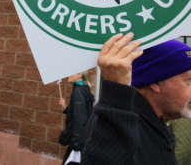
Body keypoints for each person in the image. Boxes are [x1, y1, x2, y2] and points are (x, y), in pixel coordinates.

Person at [81, 32, 191, 165]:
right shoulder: (116, 123)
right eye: (189, 81)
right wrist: (116, 89)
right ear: (155, 82)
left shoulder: (155, 122)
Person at [58, 72, 94, 165]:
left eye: (71, 73)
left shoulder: (78, 91)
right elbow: (78, 112)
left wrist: (76, 145)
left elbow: (80, 119)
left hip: (77, 144)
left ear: (79, 75)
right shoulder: (84, 88)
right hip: (81, 140)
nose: (68, 76)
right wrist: (65, 107)